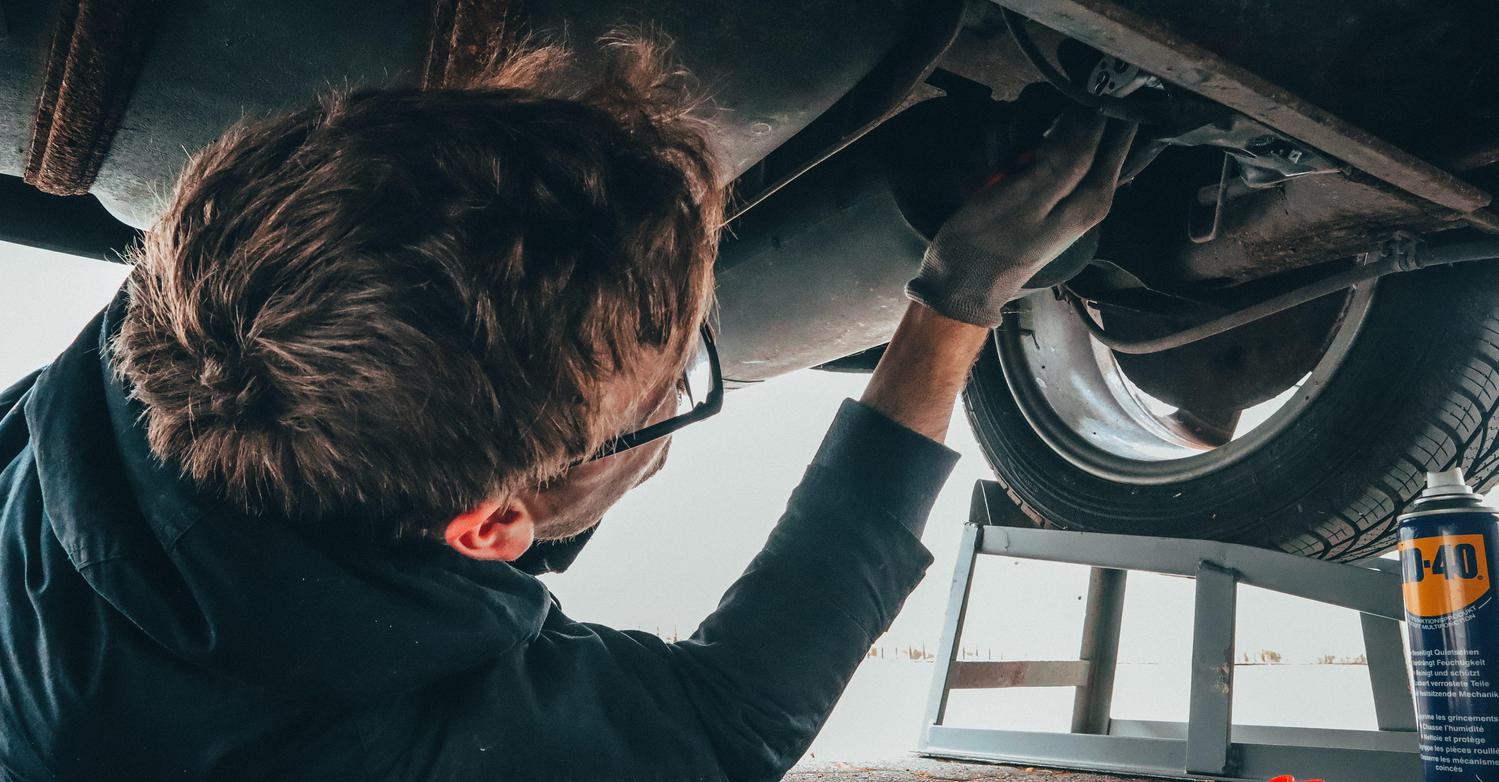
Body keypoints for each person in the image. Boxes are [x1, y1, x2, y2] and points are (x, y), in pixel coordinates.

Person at [0, 38, 1134, 781]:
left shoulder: (206, 299)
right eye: (671, 387)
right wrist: (950, 306)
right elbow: (731, 717)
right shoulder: (358, 751)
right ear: (487, 526)